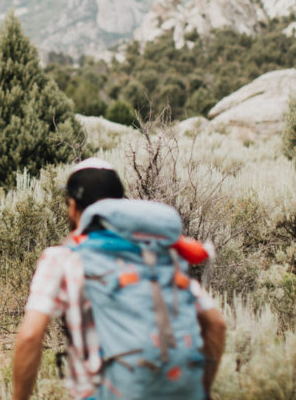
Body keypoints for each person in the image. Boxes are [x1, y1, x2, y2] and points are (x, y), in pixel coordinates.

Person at [12, 158, 227, 400]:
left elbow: (30, 335)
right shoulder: (161, 252)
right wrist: (203, 390)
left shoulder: (63, 258)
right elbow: (216, 324)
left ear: (73, 208)